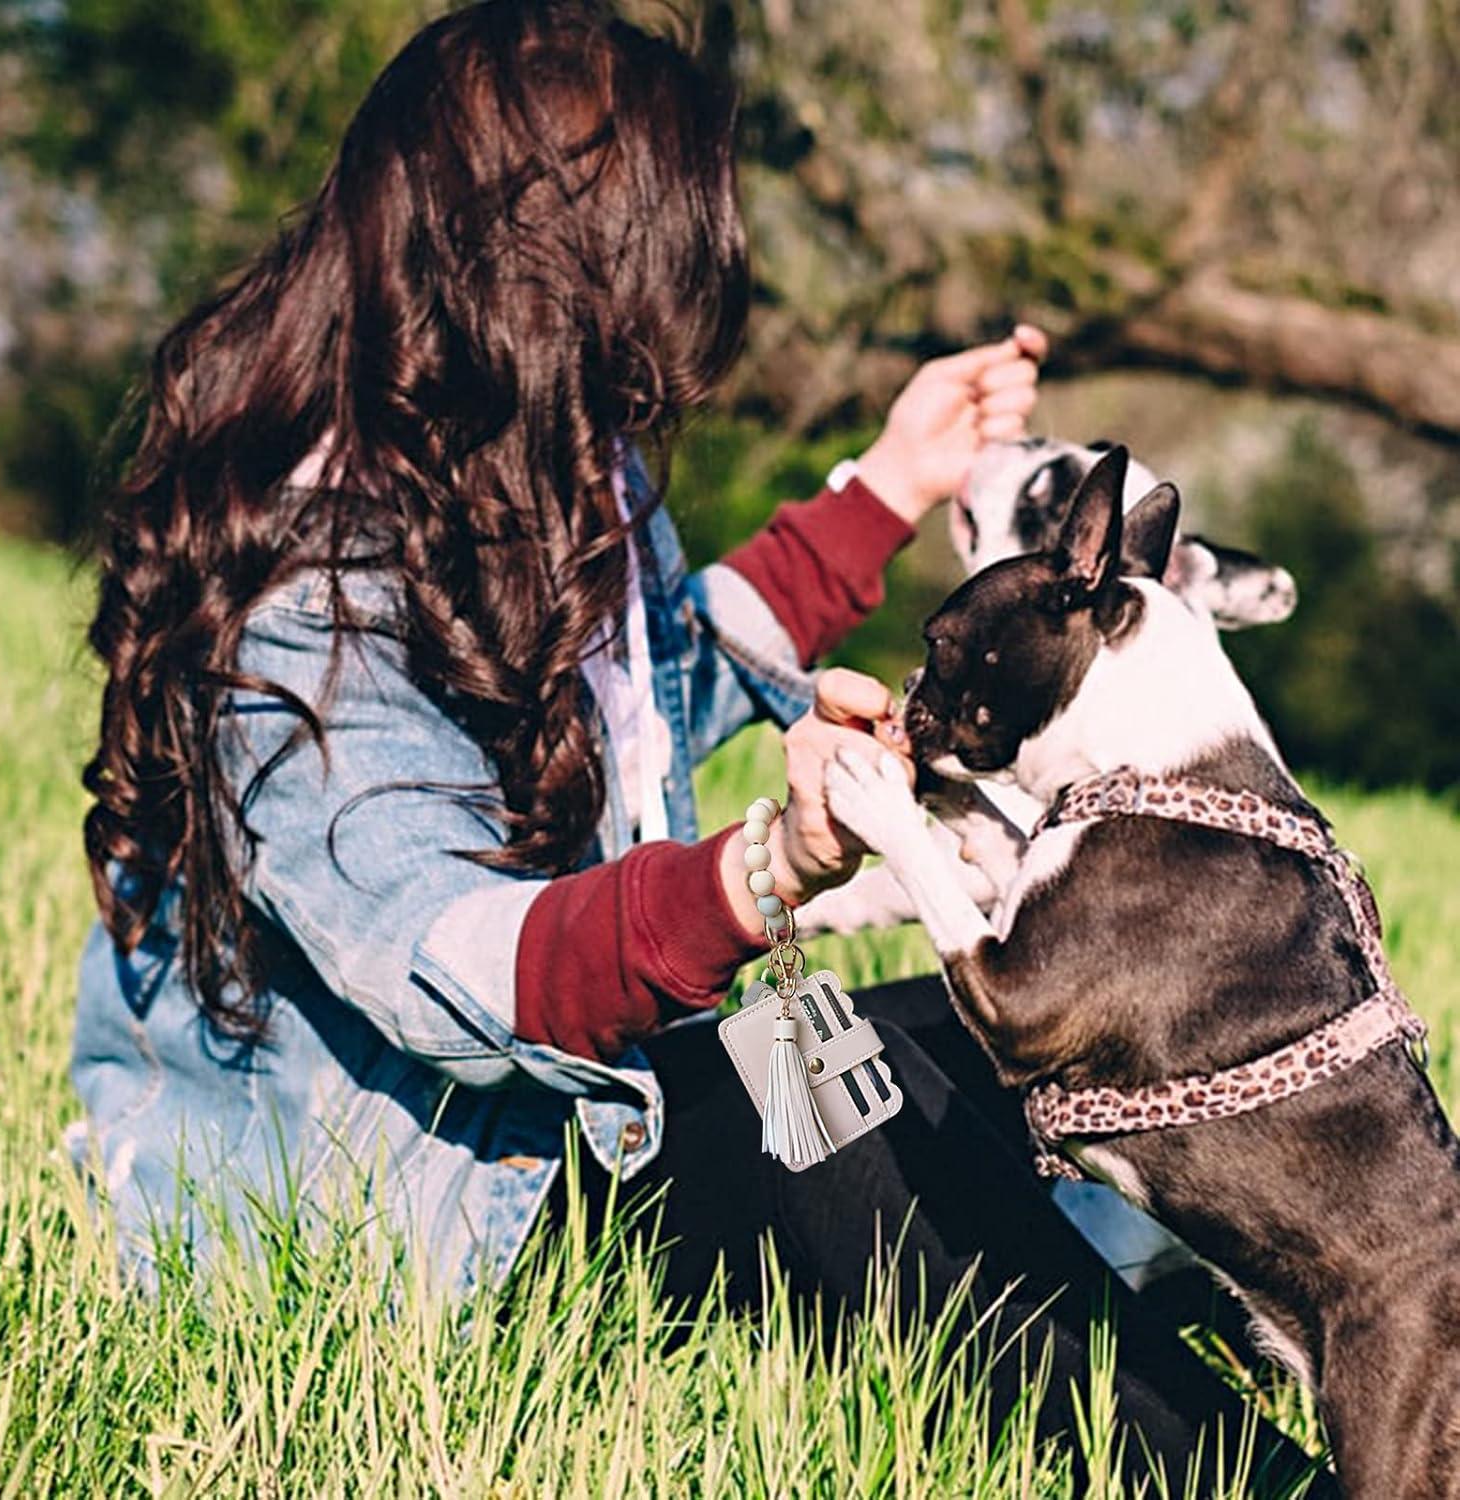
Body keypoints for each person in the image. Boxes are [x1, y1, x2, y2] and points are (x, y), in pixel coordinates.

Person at [66, 3, 1331, 1490]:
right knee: (847, 1110)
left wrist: (889, 485)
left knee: (1050, 1038)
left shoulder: (546, 451)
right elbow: (456, 966)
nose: (681, 333)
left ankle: (1267, 1316)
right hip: (418, 1207)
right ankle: (1250, 1478)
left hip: (567, 1101)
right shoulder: (302, 585)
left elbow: (655, 670)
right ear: (545, 275)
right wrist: (759, 870)